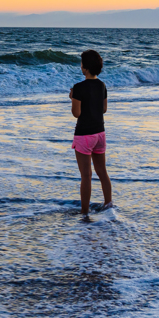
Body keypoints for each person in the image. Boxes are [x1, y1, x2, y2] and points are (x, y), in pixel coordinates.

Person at [69, 49, 112, 214]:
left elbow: (76, 113)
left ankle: (85, 212)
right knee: (102, 172)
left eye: (81, 63)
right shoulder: (102, 85)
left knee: (86, 175)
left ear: (85, 68)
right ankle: (108, 204)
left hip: (84, 135)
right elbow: (104, 109)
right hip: (100, 133)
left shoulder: (78, 87)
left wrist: (73, 98)